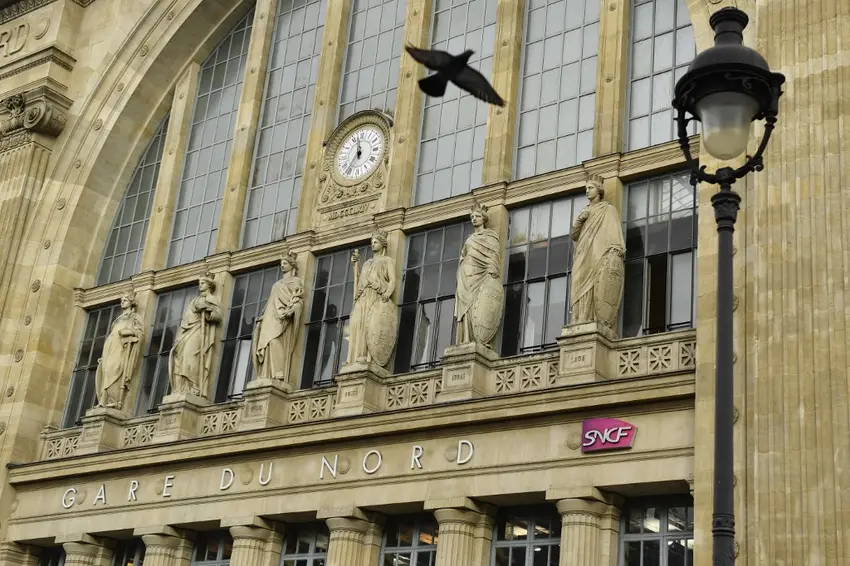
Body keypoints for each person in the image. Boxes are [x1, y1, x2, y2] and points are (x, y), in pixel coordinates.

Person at [570, 175, 626, 331]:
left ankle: (588, 317)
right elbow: (574, 235)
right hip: (582, 253)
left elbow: (614, 232)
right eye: (586, 189)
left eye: (590, 188)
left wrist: (615, 250)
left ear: (599, 190)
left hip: (598, 254)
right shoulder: (584, 211)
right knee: (577, 282)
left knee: (594, 283)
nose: (587, 191)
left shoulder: (608, 209)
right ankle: (578, 317)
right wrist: (579, 221)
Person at [253, 251, 304, 382]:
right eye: (281, 263)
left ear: (292, 265)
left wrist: (292, 310)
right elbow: (271, 301)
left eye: (285, 263)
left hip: (282, 315)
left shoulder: (296, 281)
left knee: (275, 340)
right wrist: (263, 315)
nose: (282, 265)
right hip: (271, 315)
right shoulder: (277, 283)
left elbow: (298, 299)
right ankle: (267, 373)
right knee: (268, 343)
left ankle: (278, 371)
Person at [169, 272, 222, 398]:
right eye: (199, 283)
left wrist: (207, 309)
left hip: (198, 330)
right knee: (180, 359)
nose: (200, 285)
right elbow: (185, 318)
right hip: (186, 332)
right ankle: (182, 388)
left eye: (202, 283)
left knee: (190, 357)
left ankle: (194, 387)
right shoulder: (194, 300)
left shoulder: (212, 299)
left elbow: (217, 316)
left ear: (209, 285)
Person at [347, 230, 396, 365]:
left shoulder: (387, 261)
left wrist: (388, 293)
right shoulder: (367, 263)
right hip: (363, 297)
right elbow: (360, 281)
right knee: (359, 324)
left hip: (376, 297)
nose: (373, 244)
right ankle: (357, 355)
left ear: (383, 244)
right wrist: (355, 266)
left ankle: (367, 355)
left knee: (370, 324)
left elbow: (392, 280)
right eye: (372, 242)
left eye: (376, 242)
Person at [455, 203, 502, 345]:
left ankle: (478, 338)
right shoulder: (469, 239)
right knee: (466, 305)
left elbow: (494, 254)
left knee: (477, 301)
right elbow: (463, 255)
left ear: (484, 219)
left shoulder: (491, 236)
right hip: (466, 273)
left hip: (482, 274)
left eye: (477, 216)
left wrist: (493, 267)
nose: (474, 219)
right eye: (472, 217)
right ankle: (466, 338)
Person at [95, 289, 144, 410]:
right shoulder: (118, 319)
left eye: (125, 300)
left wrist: (130, 332)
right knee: (106, 371)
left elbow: (140, 333)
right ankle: (103, 399)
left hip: (122, 348)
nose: (122, 302)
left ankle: (114, 400)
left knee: (115, 370)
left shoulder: (134, 317)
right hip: (111, 347)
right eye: (121, 300)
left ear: (131, 302)